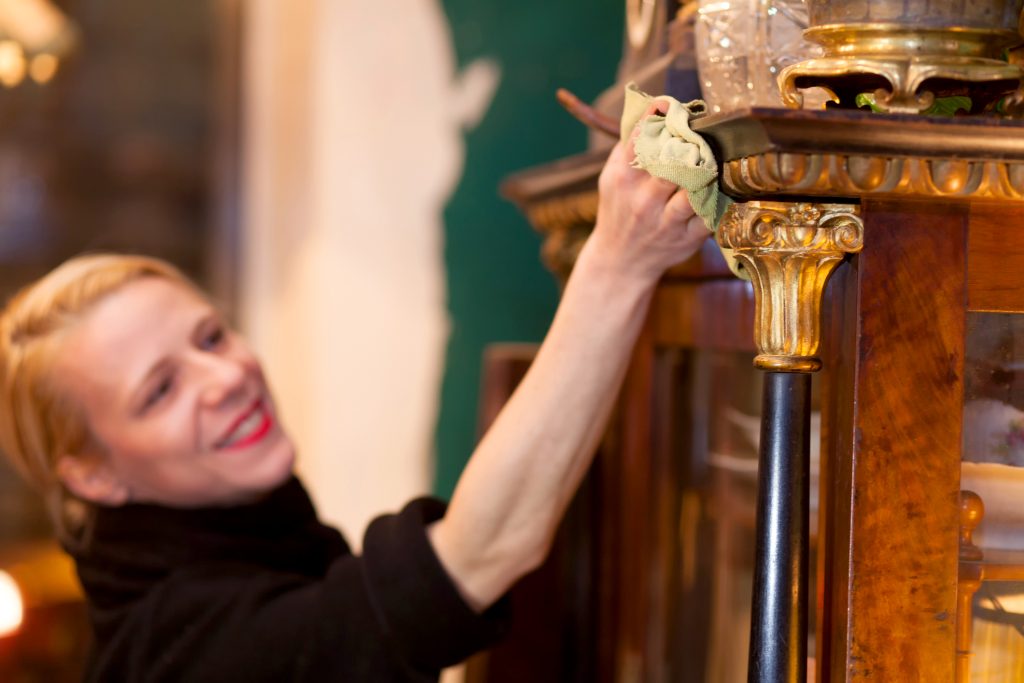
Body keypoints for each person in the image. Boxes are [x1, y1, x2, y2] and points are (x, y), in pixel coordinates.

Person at [0, 119, 708, 681]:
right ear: (93, 475)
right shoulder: (173, 649)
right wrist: (617, 263)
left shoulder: (256, 541)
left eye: (210, 337)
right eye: (160, 391)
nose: (225, 378)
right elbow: (477, 557)